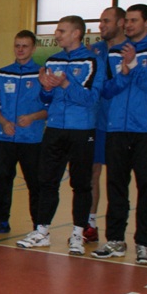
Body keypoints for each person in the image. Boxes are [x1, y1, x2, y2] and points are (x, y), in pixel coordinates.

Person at [92, 4, 147, 265]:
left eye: (134, 20)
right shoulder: (114, 52)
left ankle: (143, 244)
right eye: (126, 20)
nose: (128, 25)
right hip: (117, 129)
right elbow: (106, 90)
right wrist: (124, 75)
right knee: (116, 186)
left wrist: (134, 66)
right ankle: (115, 240)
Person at [16, 16, 102, 255]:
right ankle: (42, 231)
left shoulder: (92, 61)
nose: (57, 34)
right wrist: (46, 88)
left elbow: (91, 98)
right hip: (54, 128)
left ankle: (78, 234)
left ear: (76, 33)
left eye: (61, 31)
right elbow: (46, 99)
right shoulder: (53, 60)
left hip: (81, 129)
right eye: (57, 30)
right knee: (46, 181)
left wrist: (65, 85)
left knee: (81, 183)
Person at [0, 31, 46, 234]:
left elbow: (51, 107)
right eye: (17, 45)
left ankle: (38, 226)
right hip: (5, 138)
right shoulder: (3, 74)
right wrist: (3, 122)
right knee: (1, 181)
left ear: (33, 48)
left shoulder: (42, 74)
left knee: (35, 184)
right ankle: (1, 221)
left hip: (32, 140)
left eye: (25, 46)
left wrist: (32, 117)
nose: (20, 50)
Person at [85, 6, 126, 243]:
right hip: (96, 121)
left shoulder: (130, 50)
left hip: (123, 123)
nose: (101, 25)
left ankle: (117, 233)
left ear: (120, 23)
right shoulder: (94, 51)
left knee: (119, 178)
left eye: (106, 21)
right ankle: (90, 224)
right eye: (100, 21)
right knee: (92, 172)